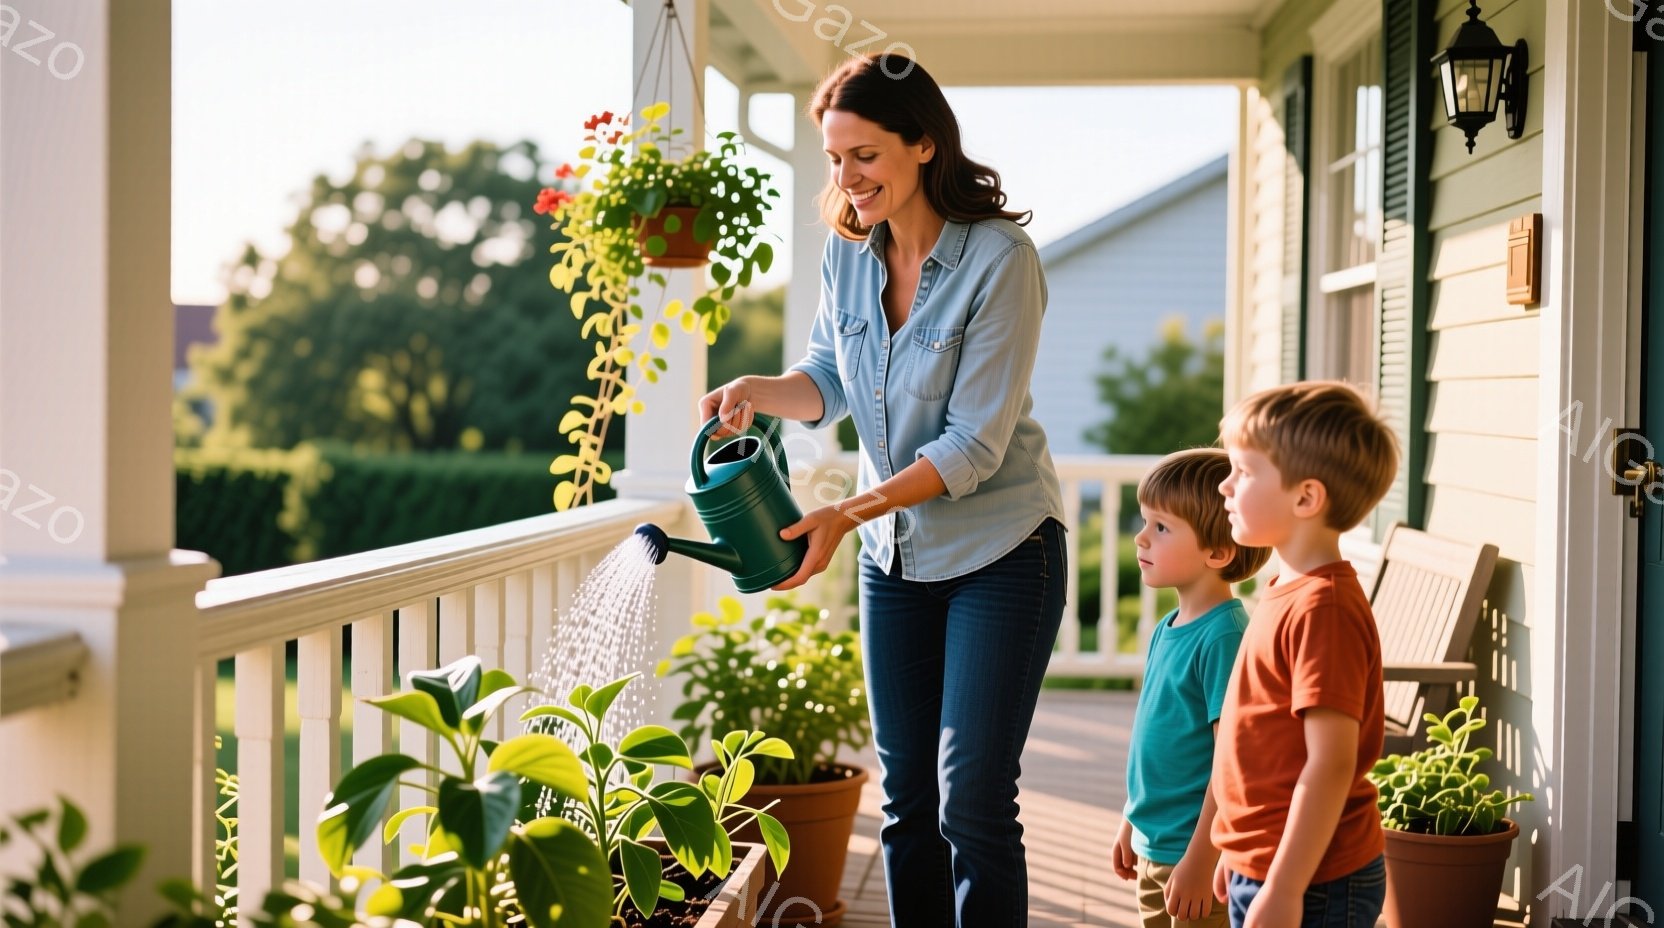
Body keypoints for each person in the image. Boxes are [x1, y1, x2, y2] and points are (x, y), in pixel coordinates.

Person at [697, 52, 1067, 928]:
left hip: (1001, 551)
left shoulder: (1001, 261)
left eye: (864, 155)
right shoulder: (848, 256)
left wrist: (845, 512)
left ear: (924, 146)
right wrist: (759, 390)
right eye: (833, 158)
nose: (846, 177)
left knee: (970, 799)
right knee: (906, 806)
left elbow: (973, 446)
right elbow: (825, 379)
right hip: (894, 557)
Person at [1208, 381, 1398, 928]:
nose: (1225, 485)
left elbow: (1331, 762)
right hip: (1268, 863)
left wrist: (1285, 885)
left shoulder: (1324, 609)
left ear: (1306, 498)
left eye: (1243, 472)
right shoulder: (1284, 585)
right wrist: (1238, 850)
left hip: (1315, 879)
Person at [1113, 449, 1270, 928]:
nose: (1142, 537)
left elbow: (1233, 758)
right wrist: (1130, 820)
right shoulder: (1169, 626)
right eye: (1145, 522)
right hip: (1157, 846)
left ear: (1217, 553)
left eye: (1161, 527)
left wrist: (1204, 857)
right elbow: (1154, 738)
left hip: (1196, 854)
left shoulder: (1223, 637)